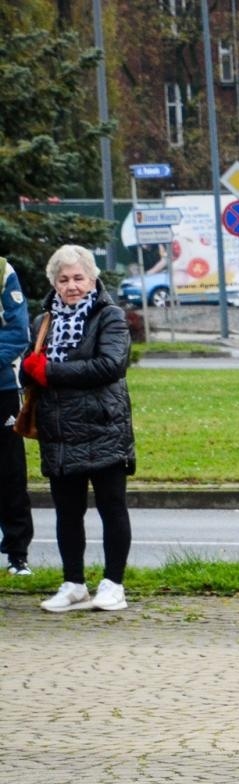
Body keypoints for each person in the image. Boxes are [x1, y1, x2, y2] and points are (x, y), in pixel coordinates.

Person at [24, 245, 138, 613]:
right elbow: (30, 364)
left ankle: (113, 585)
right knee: (67, 512)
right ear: (54, 283)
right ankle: (73, 583)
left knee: (112, 507)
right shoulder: (43, 322)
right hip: (59, 432)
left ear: (92, 279)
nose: (71, 286)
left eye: (78, 278)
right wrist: (30, 369)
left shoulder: (111, 317)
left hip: (104, 426)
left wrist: (50, 372)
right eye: (64, 279)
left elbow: (110, 366)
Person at [1, 254, 33, 575]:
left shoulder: (2, 270)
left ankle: (17, 554)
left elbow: (17, 333)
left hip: (2, 390)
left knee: (9, 472)